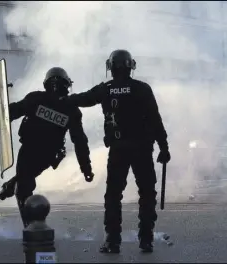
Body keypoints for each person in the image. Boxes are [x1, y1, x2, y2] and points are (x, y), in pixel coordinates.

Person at [65, 49, 171, 253]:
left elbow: (83, 99)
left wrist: (62, 98)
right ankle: (146, 240)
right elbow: (155, 120)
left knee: (113, 196)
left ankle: (113, 241)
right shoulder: (142, 89)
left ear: (110, 67)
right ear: (131, 66)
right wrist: (164, 147)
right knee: (147, 194)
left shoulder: (106, 89)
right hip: (142, 149)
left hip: (118, 150)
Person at [0, 67, 94, 227]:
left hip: (32, 151)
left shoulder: (36, 99)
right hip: (48, 155)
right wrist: (86, 168)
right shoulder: (70, 109)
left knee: (23, 186)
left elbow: (14, 111)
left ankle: (29, 225)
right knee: (25, 180)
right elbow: (80, 142)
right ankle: (11, 188)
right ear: (66, 85)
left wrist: (3, 111)